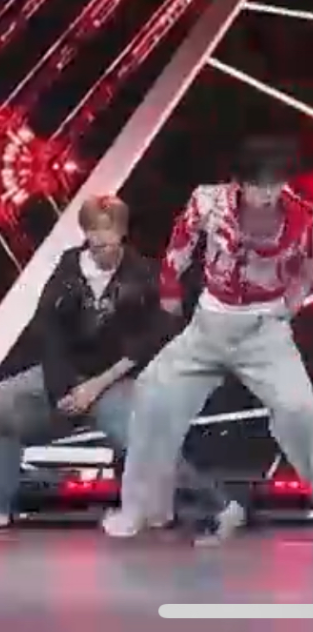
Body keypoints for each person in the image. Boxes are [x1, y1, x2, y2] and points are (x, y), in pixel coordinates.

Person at [102, 136, 313, 554]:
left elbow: (310, 266)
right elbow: (182, 238)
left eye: (276, 183)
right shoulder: (209, 201)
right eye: (260, 184)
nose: (268, 193)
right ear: (240, 182)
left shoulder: (303, 218)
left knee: (301, 412)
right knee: (153, 394)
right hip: (208, 327)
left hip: (264, 332)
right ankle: (138, 506)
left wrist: (289, 306)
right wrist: (170, 285)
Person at [0, 195, 239, 540]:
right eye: (93, 236)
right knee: (3, 405)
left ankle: (218, 506)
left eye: (108, 236)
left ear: (123, 233)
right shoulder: (68, 269)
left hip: (113, 380)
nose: (100, 245)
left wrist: (95, 387)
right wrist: (63, 386)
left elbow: (150, 340)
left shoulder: (144, 276)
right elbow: (48, 330)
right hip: (64, 378)